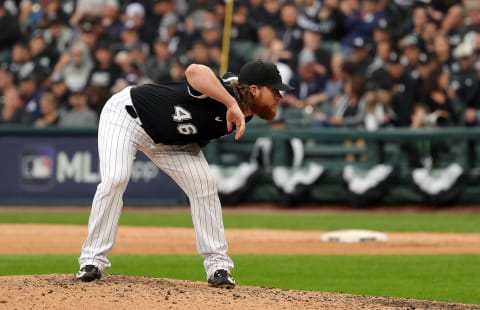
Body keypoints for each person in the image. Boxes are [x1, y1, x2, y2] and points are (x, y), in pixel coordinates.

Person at [75, 60, 294, 288]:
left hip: (171, 141)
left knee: (204, 185)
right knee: (115, 178)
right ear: (254, 89)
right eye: (275, 90)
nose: (280, 96)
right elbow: (194, 71)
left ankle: (218, 266)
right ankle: (92, 260)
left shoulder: (247, 112)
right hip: (127, 117)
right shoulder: (227, 93)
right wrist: (230, 102)